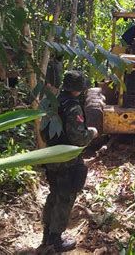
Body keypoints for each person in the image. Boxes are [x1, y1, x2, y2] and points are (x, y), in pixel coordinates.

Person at [40, 71, 98, 252]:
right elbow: (79, 138)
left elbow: (43, 130)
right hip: (67, 159)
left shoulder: (52, 102)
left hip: (51, 156)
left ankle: (47, 235)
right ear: (79, 89)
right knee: (64, 198)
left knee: (53, 194)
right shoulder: (73, 107)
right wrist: (92, 133)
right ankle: (55, 240)